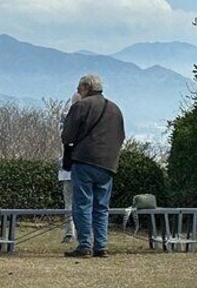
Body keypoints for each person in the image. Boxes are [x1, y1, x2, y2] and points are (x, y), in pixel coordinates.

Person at [61, 74, 125, 259]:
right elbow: (121, 136)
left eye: (79, 89)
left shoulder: (81, 106)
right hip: (108, 164)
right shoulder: (115, 109)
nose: (78, 92)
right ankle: (101, 246)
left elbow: (68, 136)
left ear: (86, 88)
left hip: (85, 161)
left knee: (82, 204)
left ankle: (85, 245)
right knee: (101, 206)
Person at [58, 92, 81, 243]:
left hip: (68, 167)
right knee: (82, 201)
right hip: (79, 166)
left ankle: (70, 232)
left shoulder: (64, 119)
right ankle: (76, 232)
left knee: (70, 202)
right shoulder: (88, 119)